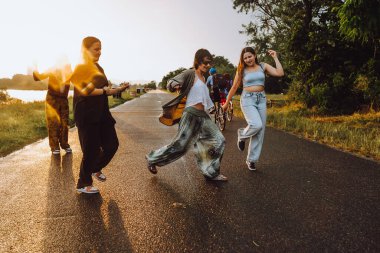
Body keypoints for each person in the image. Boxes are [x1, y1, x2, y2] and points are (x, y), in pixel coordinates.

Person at [146, 49, 227, 181]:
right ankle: (152, 159)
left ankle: (211, 172)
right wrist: (175, 84)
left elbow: (204, 96)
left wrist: (211, 108)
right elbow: (171, 82)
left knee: (219, 140)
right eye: (205, 62)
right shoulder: (190, 73)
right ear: (198, 61)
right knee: (180, 146)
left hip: (203, 116)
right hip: (190, 115)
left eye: (209, 63)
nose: (207, 65)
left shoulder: (204, 77)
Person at [70, 36, 129, 194]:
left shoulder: (98, 68)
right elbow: (85, 91)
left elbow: (103, 89)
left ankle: (96, 168)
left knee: (112, 145)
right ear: (85, 50)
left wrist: (117, 90)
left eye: (100, 48)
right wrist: (107, 90)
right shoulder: (80, 68)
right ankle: (83, 184)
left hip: (102, 113)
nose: (100, 52)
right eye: (96, 49)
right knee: (91, 150)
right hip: (87, 114)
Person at [222, 47, 284, 171]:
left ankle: (251, 160)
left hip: (261, 99)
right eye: (245, 58)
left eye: (249, 56)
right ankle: (242, 135)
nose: (248, 59)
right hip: (247, 100)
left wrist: (275, 57)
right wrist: (226, 103)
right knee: (256, 125)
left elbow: (280, 73)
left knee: (260, 132)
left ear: (255, 55)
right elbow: (234, 87)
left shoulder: (263, 66)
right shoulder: (241, 70)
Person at [32, 65, 72, 155]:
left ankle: (64, 144)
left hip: (64, 99)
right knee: (53, 123)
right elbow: (38, 77)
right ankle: (54, 146)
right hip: (52, 99)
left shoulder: (69, 70)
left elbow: (78, 80)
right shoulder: (52, 68)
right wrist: (35, 67)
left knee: (65, 123)